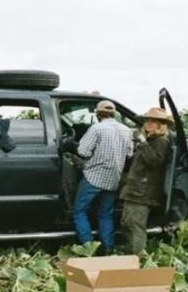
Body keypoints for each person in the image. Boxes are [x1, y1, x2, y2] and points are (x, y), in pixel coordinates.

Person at [72, 100, 133, 252]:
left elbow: (83, 151)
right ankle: (108, 249)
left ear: (98, 114)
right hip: (113, 179)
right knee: (106, 214)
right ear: (114, 113)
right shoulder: (126, 130)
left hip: (93, 177)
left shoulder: (96, 129)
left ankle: (89, 247)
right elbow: (129, 154)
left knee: (79, 211)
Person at [119, 107, 174, 255]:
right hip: (135, 190)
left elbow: (155, 161)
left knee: (136, 225)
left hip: (143, 192)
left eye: (153, 121)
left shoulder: (161, 141)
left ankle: (137, 257)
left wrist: (143, 143)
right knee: (127, 223)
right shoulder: (150, 140)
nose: (148, 123)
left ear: (160, 125)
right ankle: (130, 254)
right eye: (147, 121)